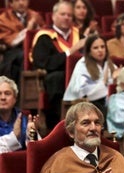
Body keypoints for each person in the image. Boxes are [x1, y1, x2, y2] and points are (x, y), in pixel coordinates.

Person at [32, 0, 86, 131]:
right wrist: (71, 52)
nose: (67, 18)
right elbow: (42, 62)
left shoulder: (79, 35)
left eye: (69, 15)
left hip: (80, 77)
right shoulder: (44, 36)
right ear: (53, 16)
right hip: (55, 79)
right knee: (56, 78)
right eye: (63, 14)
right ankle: (58, 126)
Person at [63, 34, 119, 119]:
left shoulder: (109, 64)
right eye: (95, 48)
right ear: (89, 51)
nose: (100, 50)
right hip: (84, 102)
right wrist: (104, 82)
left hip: (106, 100)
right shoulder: (82, 64)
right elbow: (84, 93)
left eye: (102, 47)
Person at [0, 0, 45, 85]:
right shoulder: (3, 18)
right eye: (17, 0)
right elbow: (12, 42)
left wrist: (37, 27)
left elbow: (44, 32)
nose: (21, 3)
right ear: (11, 3)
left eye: (24, 0)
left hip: (33, 49)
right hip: (13, 52)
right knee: (24, 56)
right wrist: (28, 29)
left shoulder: (35, 16)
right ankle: (20, 94)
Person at [0, 75, 38, 153]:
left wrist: (32, 135)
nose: (3, 97)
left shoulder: (24, 118)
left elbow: (35, 151)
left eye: (7, 93)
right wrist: (14, 136)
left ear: (15, 98)